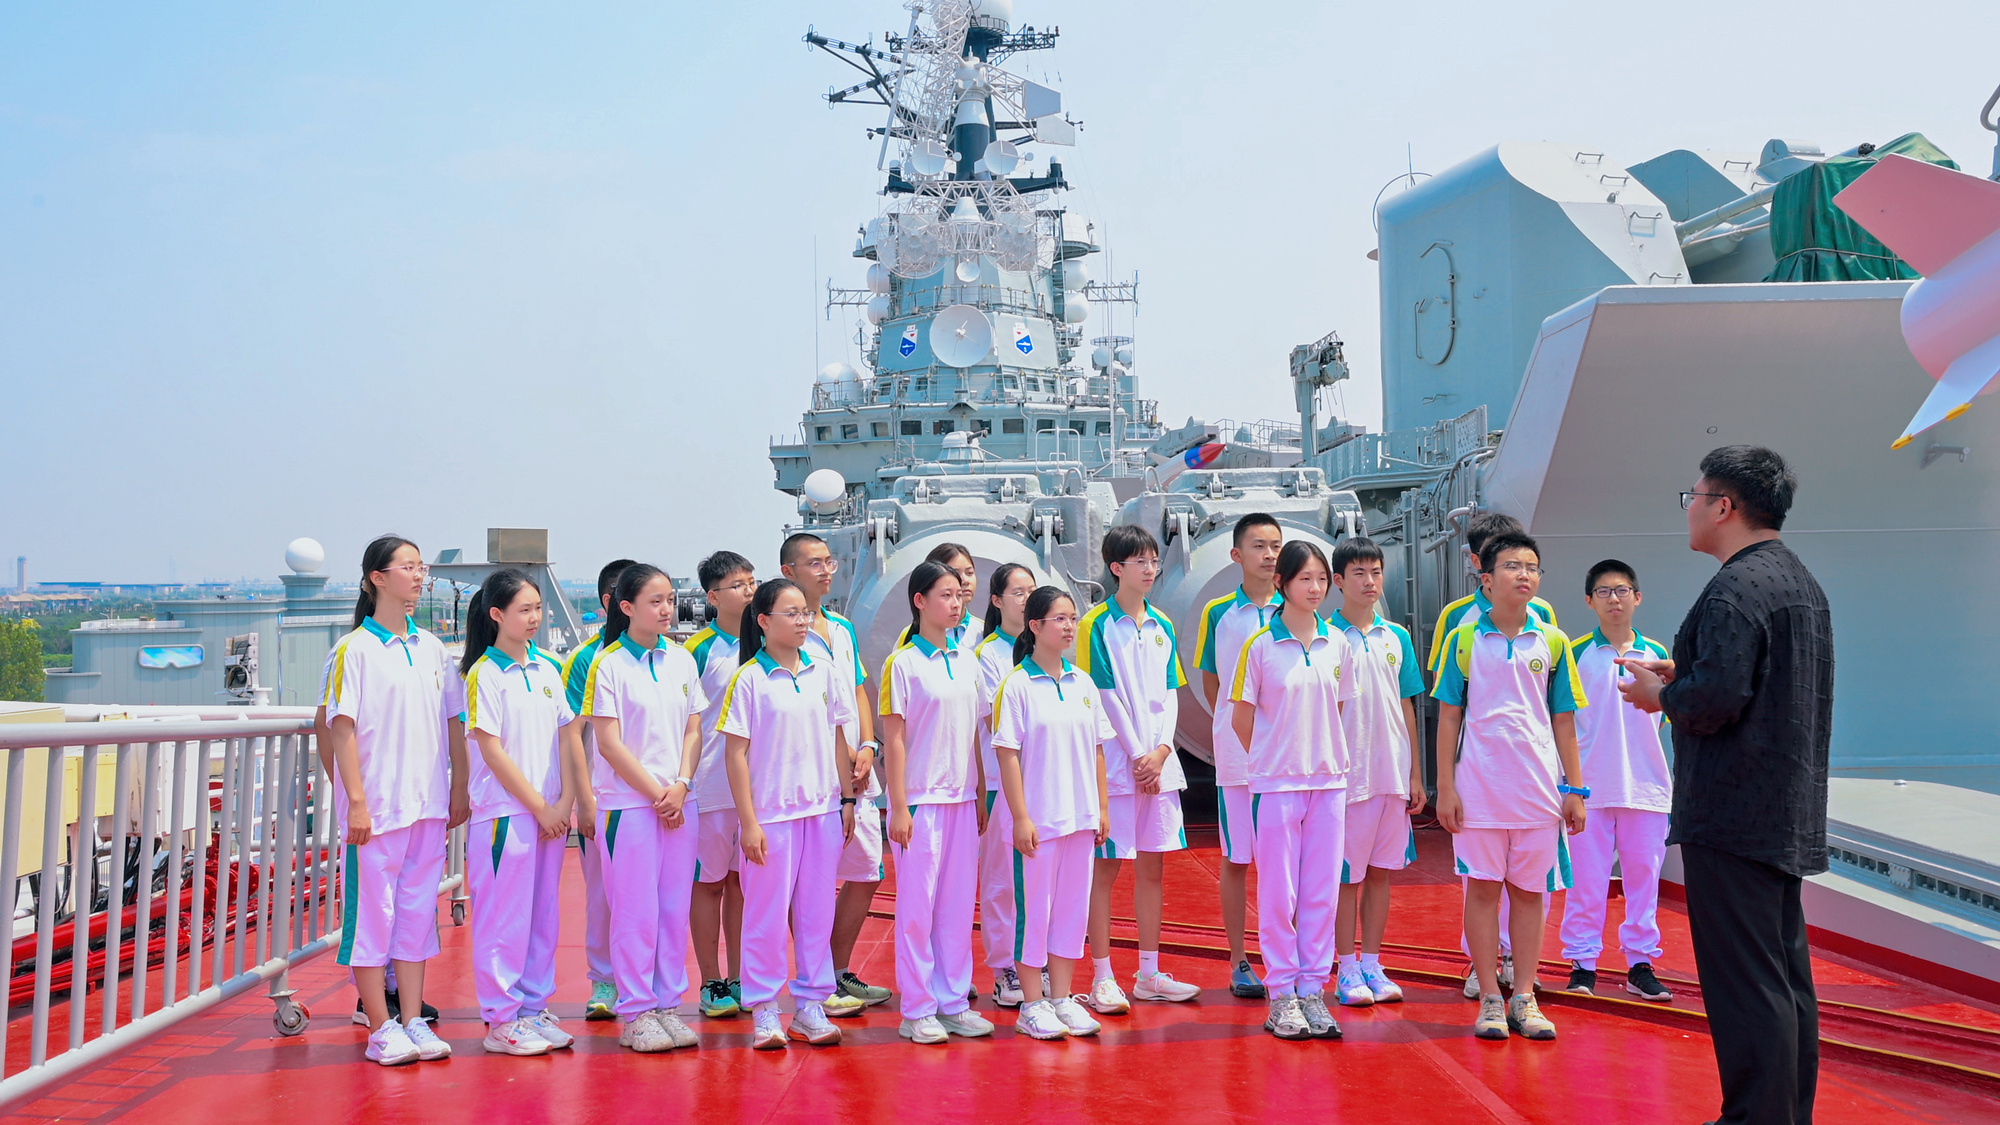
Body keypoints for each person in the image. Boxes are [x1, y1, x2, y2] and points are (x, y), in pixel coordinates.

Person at [1618, 446, 1833, 1125]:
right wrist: (1682, 672)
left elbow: (1715, 700)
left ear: (1724, 506)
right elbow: (1753, 679)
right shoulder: (1798, 581)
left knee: (1746, 987)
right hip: (1783, 809)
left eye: (1695, 495)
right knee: (1783, 979)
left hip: (1732, 813)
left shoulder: (1734, 589)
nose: (1689, 507)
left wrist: (1661, 694)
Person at [1432, 531, 1587, 1042]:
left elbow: (1564, 719)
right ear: (1486, 578)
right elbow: (1448, 718)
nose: (1525, 575)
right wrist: (1445, 787)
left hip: (1537, 792)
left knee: (1529, 894)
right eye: (1513, 566)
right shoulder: (1463, 639)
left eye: (1532, 567)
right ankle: (1490, 998)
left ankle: (1524, 996)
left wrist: (1575, 789)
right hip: (1479, 790)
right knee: (1481, 892)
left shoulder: (1553, 641)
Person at [323, 535, 470, 1066]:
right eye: (408, 567)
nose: (419, 575)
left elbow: (454, 721)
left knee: (415, 915)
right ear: (377, 578)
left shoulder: (431, 648)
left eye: (421, 567)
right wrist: (356, 802)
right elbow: (339, 728)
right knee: (372, 918)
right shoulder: (353, 650)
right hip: (377, 812)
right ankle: (379, 1027)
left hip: (426, 807)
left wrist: (458, 786)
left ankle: (412, 1020)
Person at [721, 578, 859, 1050]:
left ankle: (810, 1005)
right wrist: (749, 822)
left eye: (806, 613)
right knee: (764, 916)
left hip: (821, 811)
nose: (803, 621)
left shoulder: (824, 672)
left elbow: (838, 738)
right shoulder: (749, 679)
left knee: (816, 914)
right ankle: (764, 1008)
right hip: (771, 817)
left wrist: (846, 800)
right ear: (763, 621)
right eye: (792, 613)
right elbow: (735, 755)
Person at [1229, 541, 1356, 1040]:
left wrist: (1317, 755)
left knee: (1321, 893)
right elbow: (1241, 719)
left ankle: (1312, 989)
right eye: (1305, 578)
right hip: (1277, 785)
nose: (1316, 587)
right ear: (1281, 583)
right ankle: (1282, 992)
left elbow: (1338, 708)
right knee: (1279, 894)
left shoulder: (1337, 643)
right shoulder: (1260, 647)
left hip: (1328, 782)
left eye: (1321, 578)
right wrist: (1274, 758)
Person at [582, 563, 708, 1053]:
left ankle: (667, 1005)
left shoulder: (681, 660)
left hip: (679, 802)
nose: (666, 609)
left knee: (673, 910)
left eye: (669, 599)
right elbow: (608, 743)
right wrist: (658, 794)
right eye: (655, 601)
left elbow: (694, 729)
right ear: (626, 607)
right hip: (629, 808)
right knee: (634, 912)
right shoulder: (608, 664)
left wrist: (681, 784)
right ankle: (636, 1011)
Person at [1075, 526, 1201, 1012]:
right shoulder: (1096, 624)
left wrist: (1163, 750)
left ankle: (1149, 974)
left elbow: (1171, 691)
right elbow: (1103, 695)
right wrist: (1136, 754)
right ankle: (1103, 976)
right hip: (1117, 769)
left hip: (1159, 766)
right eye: (1140, 562)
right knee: (1105, 869)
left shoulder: (1162, 623)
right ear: (1116, 568)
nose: (1150, 570)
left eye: (1153, 561)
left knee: (1153, 867)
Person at [460, 570, 581, 1055]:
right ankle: (501, 1018)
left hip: (549, 815)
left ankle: (532, 1007)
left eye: (537, 608)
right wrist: (540, 807)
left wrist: (564, 802)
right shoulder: (484, 674)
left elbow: (566, 737)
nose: (534, 618)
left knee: (542, 916)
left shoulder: (547, 669)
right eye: (523, 610)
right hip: (505, 815)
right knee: (503, 920)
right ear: (496, 615)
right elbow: (492, 750)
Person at [991, 587, 1115, 1040]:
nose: (1069, 626)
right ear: (1035, 626)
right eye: (1059, 618)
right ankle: (1032, 1003)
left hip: (1080, 819)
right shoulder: (1017, 685)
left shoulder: (1083, 683)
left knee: (1070, 911)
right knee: (1033, 913)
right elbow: (1007, 754)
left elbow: (1098, 750)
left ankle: (1061, 998)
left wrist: (1101, 808)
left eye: (1072, 618)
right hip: (1039, 823)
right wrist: (1021, 817)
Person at [881, 562, 995, 1043]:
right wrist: (899, 805)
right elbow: (894, 738)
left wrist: (980, 790)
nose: (956, 603)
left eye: (960, 595)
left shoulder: (968, 661)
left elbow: (974, 734)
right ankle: (917, 1008)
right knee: (916, 911)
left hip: (962, 799)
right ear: (920, 601)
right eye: (945, 594)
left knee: (955, 908)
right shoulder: (902, 663)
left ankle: (952, 1003)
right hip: (920, 803)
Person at [1559, 560, 1674, 1002]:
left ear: (1637, 598)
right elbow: (1564, 722)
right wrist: (1570, 787)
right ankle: (1582, 964)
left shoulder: (1656, 655)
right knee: (1586, 882)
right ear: (1589, 601)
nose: (1614, 599)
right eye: (1604, 592)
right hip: (1590, 788)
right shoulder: (1575, 654)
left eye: (1622, 590)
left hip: (1645, 787)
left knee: (1644, 880)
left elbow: (1663, 720)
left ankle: (1640, 964)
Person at [780, 533, 885, 1014]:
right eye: (814, 563)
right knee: (807, 882)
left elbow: (858, 690)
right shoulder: (785, 633)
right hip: (815, 776)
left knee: (867, 870)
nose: (826, 571)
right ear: (789, 571)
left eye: (829, 562)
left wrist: (867, 744)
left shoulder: (842, 628)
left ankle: (837, 971)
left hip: (858, 775)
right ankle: (816, 977)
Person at [1327, 538, 1427, 1008]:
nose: (1370, 582)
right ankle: (1345, 966)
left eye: (1376, 572)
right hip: (1350, 778)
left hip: (1391, 774)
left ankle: (1372, 961)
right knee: (1347, 878)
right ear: (1338, 581)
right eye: (1359, 573)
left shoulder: (1396, 637)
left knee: (1382, 873)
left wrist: (1414, 774)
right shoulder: (1327, 637)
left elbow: (1406, 705)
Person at [1193, 513, 1285, 1000]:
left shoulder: (1296, 608)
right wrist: (1234, 727)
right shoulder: (1218, 613)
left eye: (1275, 545)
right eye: (1258, 546)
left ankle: (1285, 959)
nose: (1269, 555)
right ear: (1236, 555)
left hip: (1288, 758)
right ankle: (1239, 960)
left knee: (1284, 864)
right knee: (1237, 858)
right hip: (1238, 760)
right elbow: (1213, 681)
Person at [559, 557, 637, 1022]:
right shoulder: (586, 659)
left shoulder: (667, 654)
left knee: (650, 899)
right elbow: (573, 734)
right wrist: (582, 801)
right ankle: (605, 980)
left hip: (657, 800)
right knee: (603, 896)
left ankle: (644, 982)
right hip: (605, 803)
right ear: (613, 602)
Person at [686, 551, 756, 1019]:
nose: (749, 591)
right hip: (710, 787)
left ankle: (739, 976)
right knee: (709, 884)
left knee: (742, 885)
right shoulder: (698, 650)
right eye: (738, 585)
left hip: (754, 789)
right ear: (713, 597)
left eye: (752, 582)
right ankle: (711, 980)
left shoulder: (767, 643)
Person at [973, 563, 1035, 1007]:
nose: (1026, 598)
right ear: (996, 601)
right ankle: (1004, 968)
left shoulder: (1045, 649)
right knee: (1002, 882)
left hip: (1042, 782)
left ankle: (1035, 960)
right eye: (1017, 592)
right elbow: (998, 719)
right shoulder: (988, 654)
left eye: (1032, 590)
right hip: (1000, 781)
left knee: (1038, 881)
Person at [895, 542, 987, 650]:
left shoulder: (983, 631)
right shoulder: (908, 637)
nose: (965, 580)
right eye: (955, 573)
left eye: (970, 573)